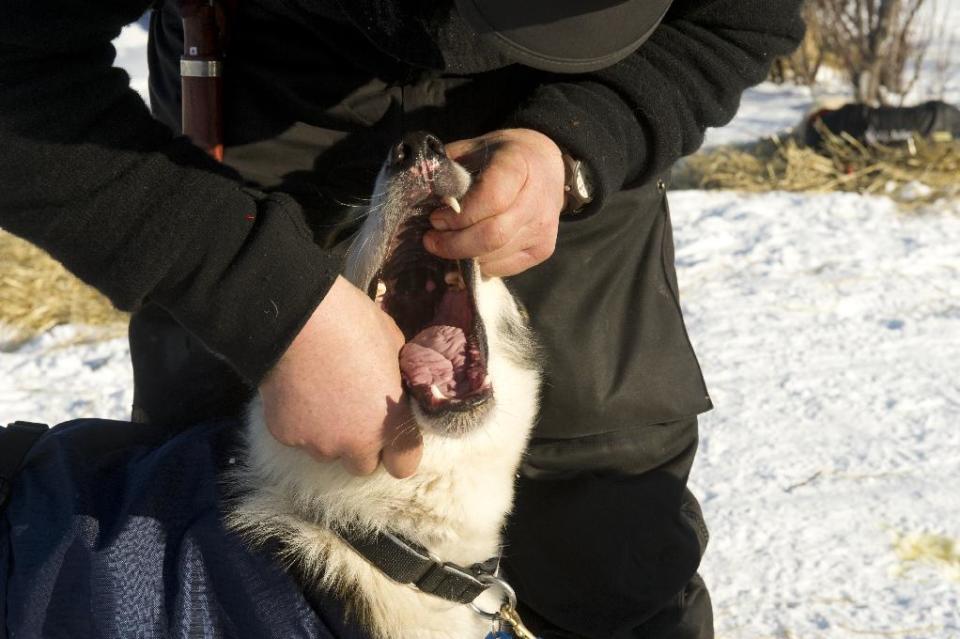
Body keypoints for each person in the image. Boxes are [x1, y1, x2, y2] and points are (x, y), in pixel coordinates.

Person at [0, 1, 804, 636]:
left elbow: (744, 15)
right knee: (214, 546)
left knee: (612, 547)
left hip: (577, 89)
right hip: (263, 69)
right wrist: (260, 300)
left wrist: (578, 141)